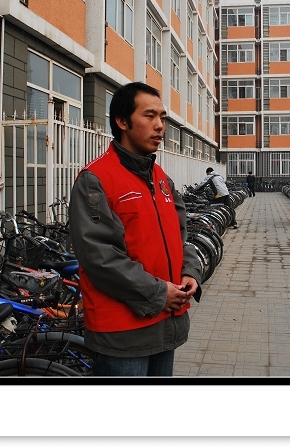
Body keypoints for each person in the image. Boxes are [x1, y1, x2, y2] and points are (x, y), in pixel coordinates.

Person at [69, 82, 202, 376]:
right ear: (122, 121)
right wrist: (158, 292)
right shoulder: (96, 179)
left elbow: (181, 237)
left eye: (162, 118)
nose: (160, 126)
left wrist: (191, 271)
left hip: (165, 322)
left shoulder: (160, 177)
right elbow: (100, 257)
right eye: (149, 116)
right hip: (123, 334)